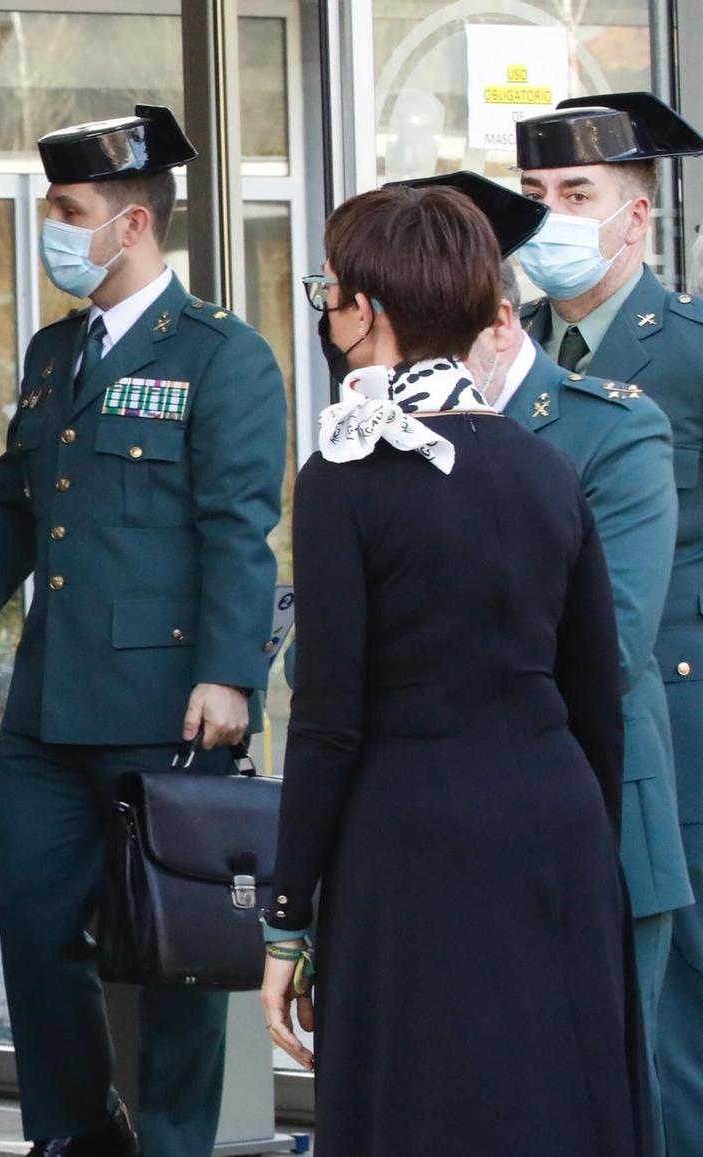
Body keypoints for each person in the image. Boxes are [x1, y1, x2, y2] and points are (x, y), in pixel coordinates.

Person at [0, 105, 287, 1156]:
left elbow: (238, 529)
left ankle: (169, 1141)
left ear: (131, 226)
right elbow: (11, 502)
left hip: (165, 700)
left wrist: (226, 674)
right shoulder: (53, 350)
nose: (51, 228)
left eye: (68, 210)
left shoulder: (222, 358)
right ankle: (74, 1132)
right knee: (29, 919)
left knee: (176, 952)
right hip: (48, 701)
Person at [263, 183, 647, 1155]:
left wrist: (283, 913)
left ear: (368, 311)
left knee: (423, 1104)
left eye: (329, 288)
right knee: (555, 1097)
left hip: (408, 837)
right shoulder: (544, 466)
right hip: (554, 820)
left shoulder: (340, 474)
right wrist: (584, 846)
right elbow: (593, 694)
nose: (324, 307)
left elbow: (327, 716)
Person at [421, 170, 688, 1132]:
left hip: (597, 812)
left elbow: (608, 643)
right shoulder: (393, 437)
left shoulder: (608, 426)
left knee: (612, 1106)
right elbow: (318, 655)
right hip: (446, 833)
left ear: (496, 318)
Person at [516, 93, 703, 1148]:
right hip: (559, 731)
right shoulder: (505, 360)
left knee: (675, 1018)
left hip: (679, 719)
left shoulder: (681, 354)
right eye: (534, 196)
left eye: (574, 194)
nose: (549, 217)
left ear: (634, 216)